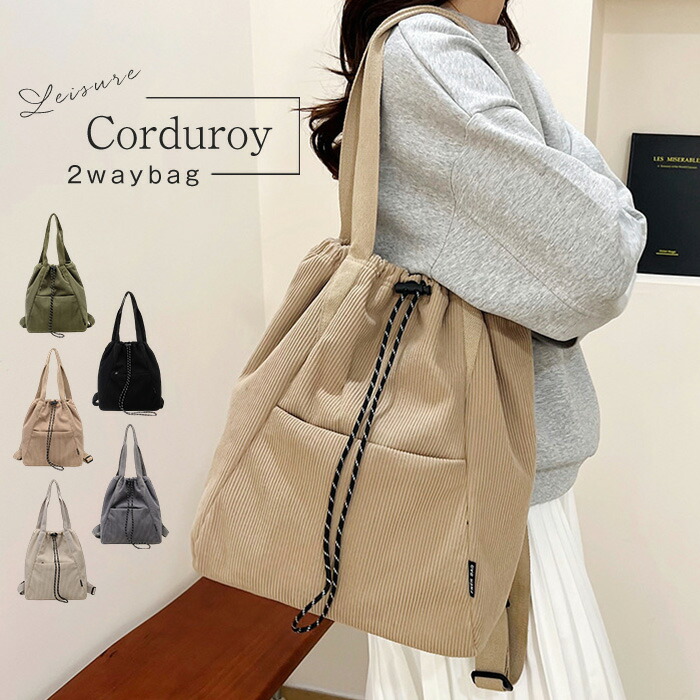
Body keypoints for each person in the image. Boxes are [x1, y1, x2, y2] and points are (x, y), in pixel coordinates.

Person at [307, 1, 647, 697]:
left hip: (482, 477)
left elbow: (610, 228)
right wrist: (557, 289)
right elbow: (604, 257)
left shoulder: (484, 49)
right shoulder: (428, 51)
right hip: (473, 494)